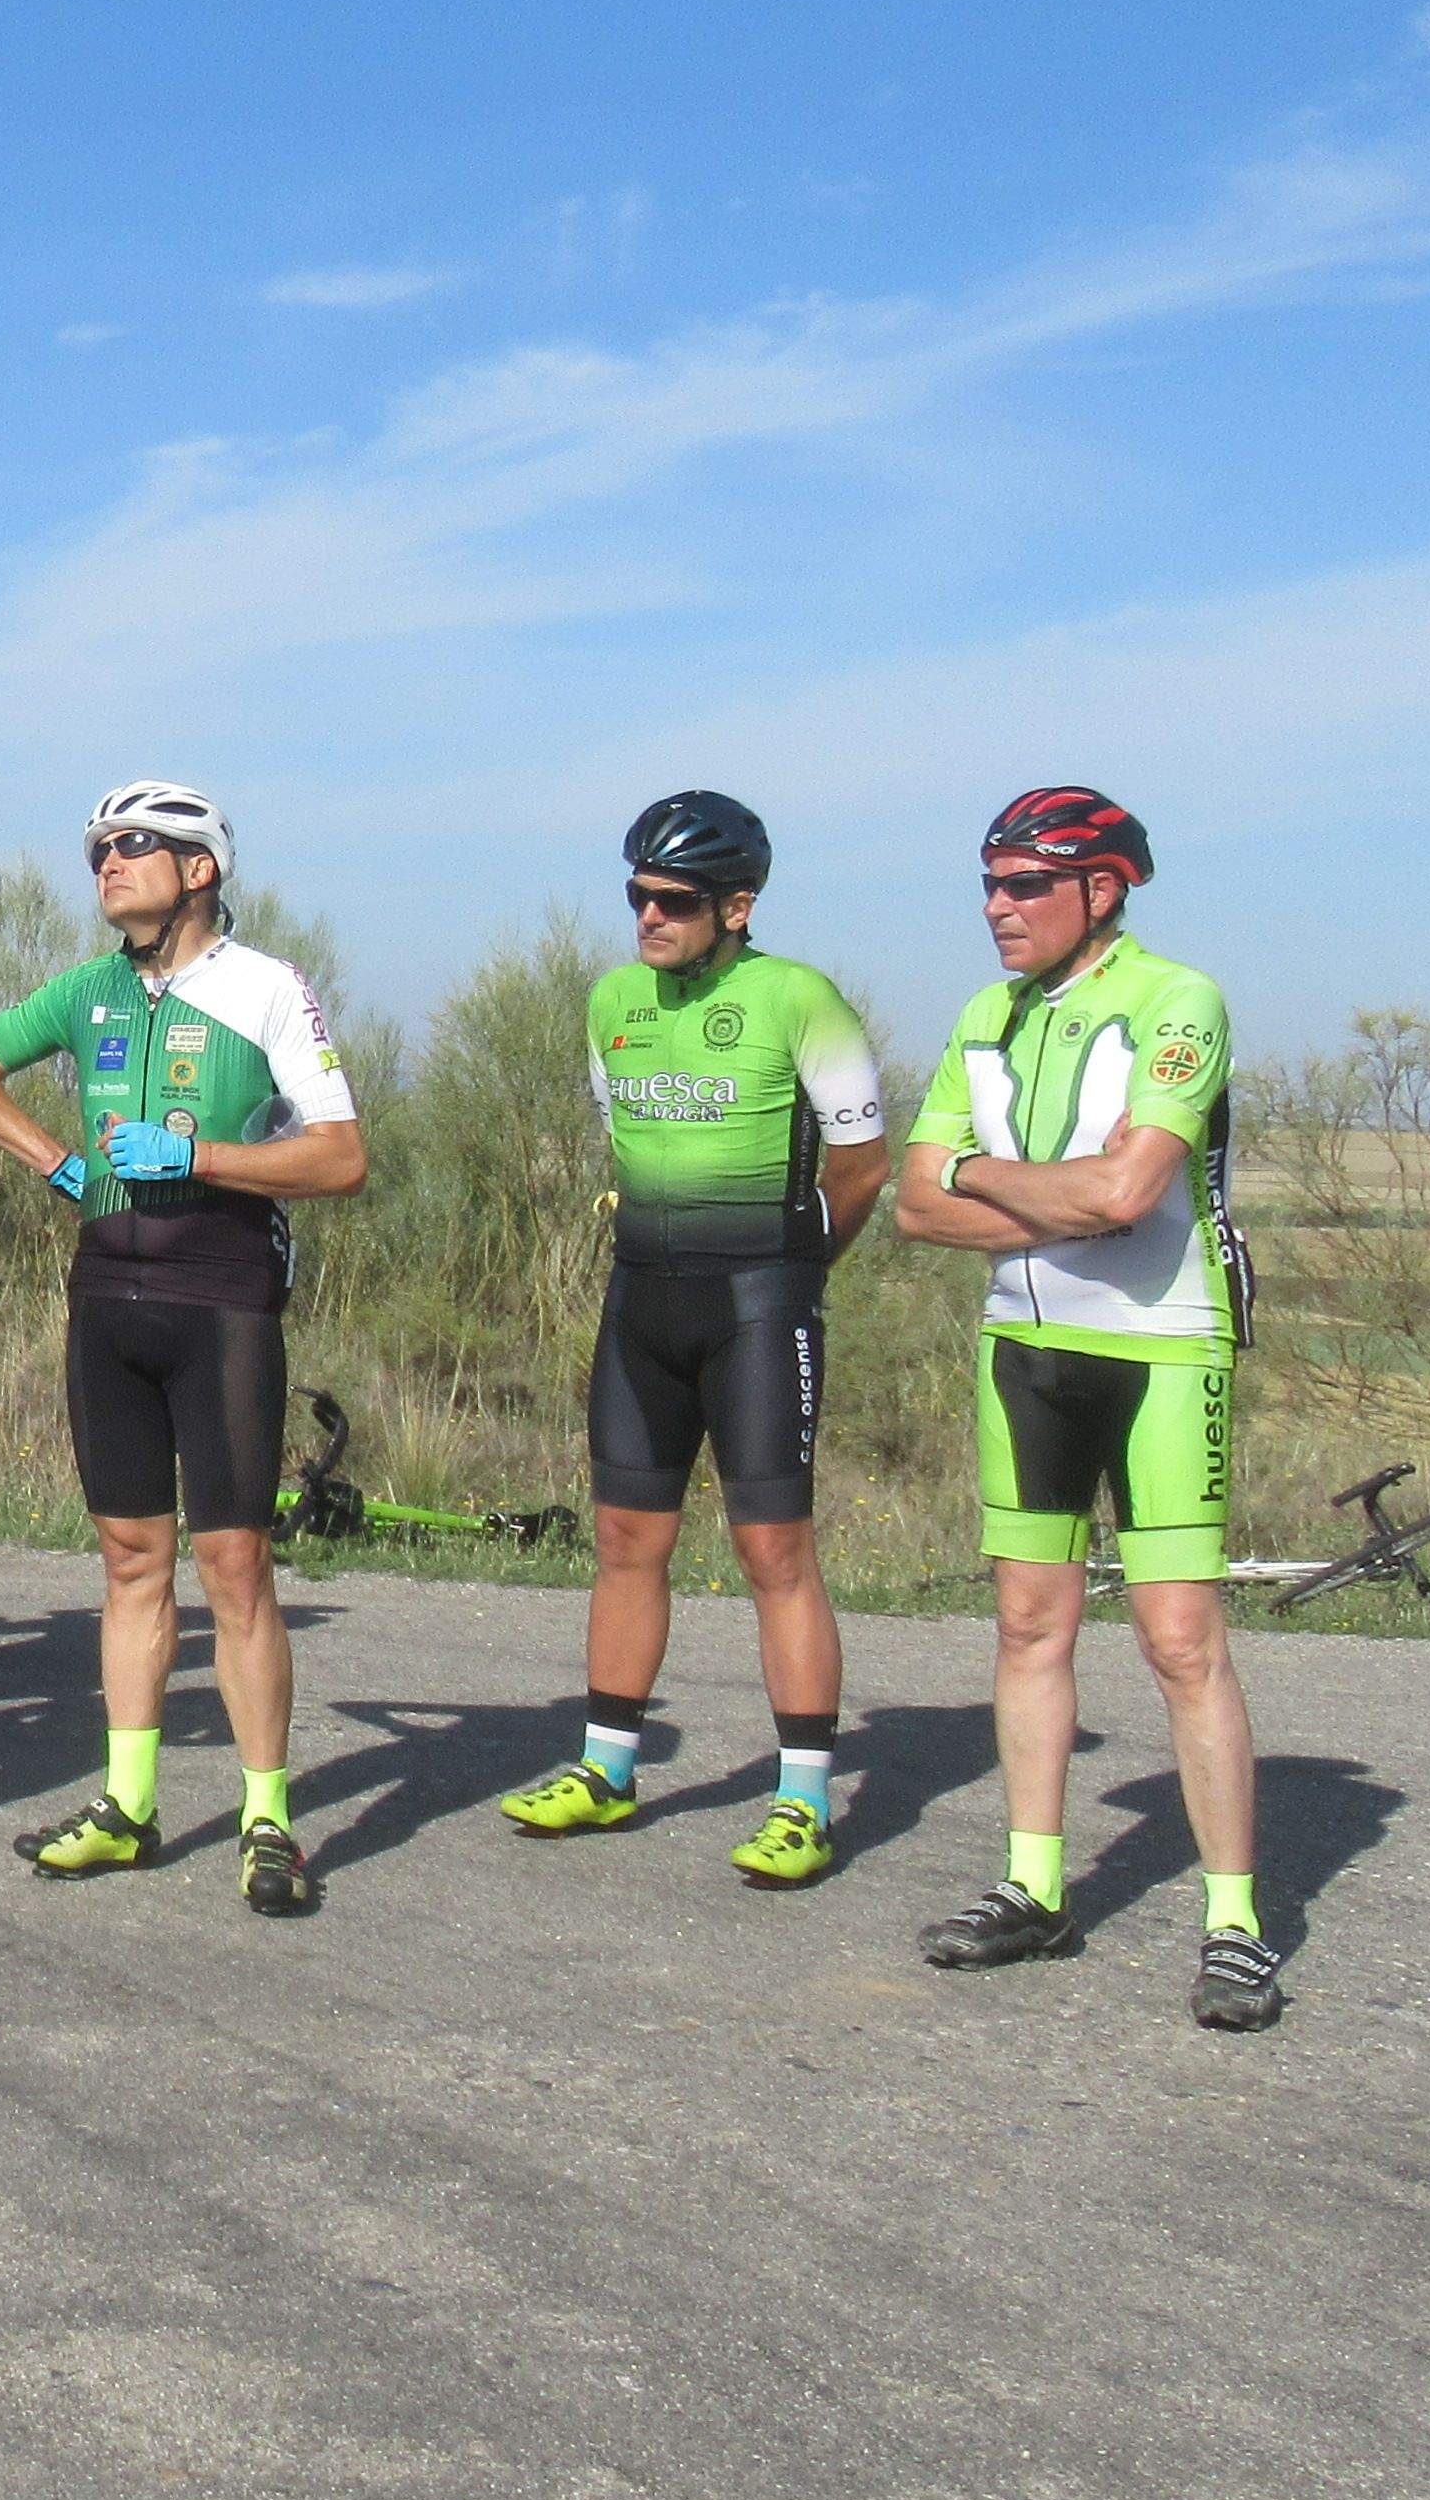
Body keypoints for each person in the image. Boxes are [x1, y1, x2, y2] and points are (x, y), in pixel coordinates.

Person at [0, 781, 363, 1916]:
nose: (107, 863)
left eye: (132, 845)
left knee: (236, 1565)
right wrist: (57, 1162)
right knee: (128, 1560)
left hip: (220, 1295)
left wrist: (202, 1158)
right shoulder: (89, 990)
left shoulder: (265, 987)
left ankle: (268, 1819)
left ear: (200, 868)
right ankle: (129, 1806)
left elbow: (338, 1157)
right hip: (107, 1293)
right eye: (98, 851)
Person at [888, 785, 1280, 2027]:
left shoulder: (1179, 1000)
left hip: (1162, 1348)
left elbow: (1126, 1195)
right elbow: (914, 1207)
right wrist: (1024, 1191)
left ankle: (1235, 1923)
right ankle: (1035, 1887)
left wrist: (981, 1174)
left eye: (1025, 886)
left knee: (1180, 1639)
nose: (996, 909)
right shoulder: (986, 1015)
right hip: (1025, 1344)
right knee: (1026, 1625)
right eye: (989, 885)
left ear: (1102, 890)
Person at [488, 792, 893, 1881]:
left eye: (673, 900)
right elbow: (621, 1139)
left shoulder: (798, 997)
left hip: (757, 1305)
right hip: (642, 1303)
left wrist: (796, 1276)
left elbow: (863, 1167)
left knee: (774, 1552)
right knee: (626, 1540)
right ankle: (606, 1770)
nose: (649, 917)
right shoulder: (613, 999)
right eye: (638, 896)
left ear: (737, 906)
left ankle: (802, 1801)